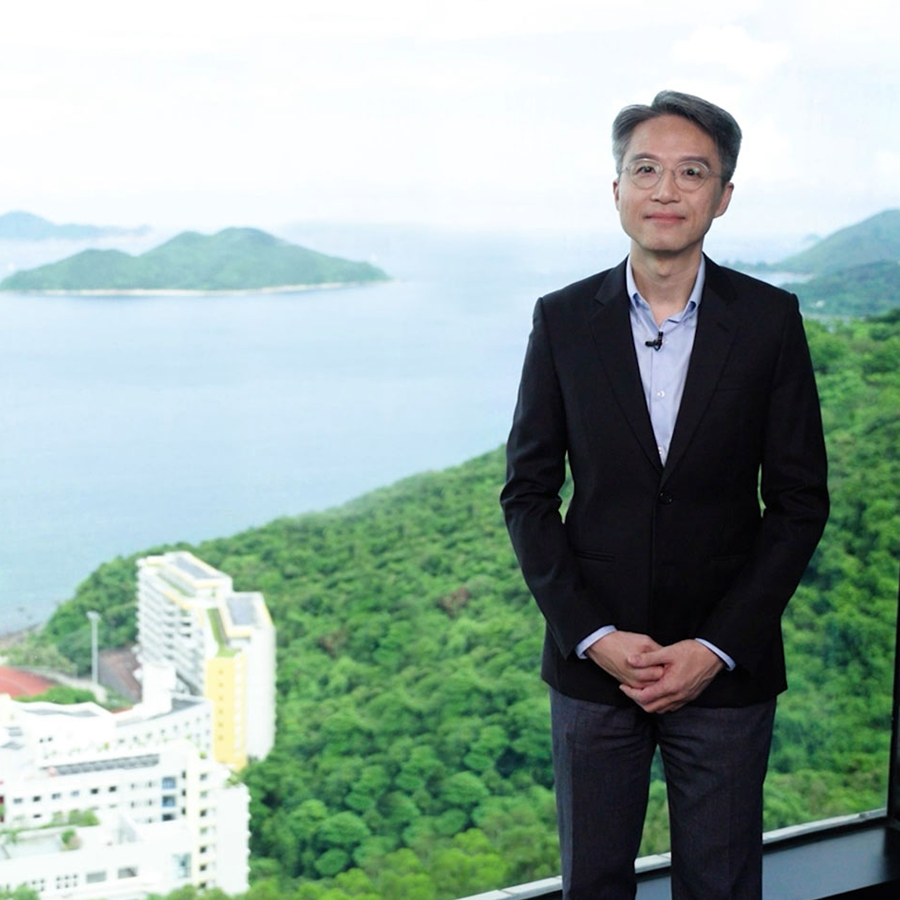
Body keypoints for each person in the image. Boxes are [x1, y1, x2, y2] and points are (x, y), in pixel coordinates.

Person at [500, 90, 829, 900]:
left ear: (723, 196)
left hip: (726, 672)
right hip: (595, 672)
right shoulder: (562, 319)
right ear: (616, 189)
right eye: (645, 170)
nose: (666, 190)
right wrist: (592, 635)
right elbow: (528, 494)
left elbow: (798, 502)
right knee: (593, 884)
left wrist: (716, 648)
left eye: (692, 173)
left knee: (722, 885)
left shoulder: (770, 320)